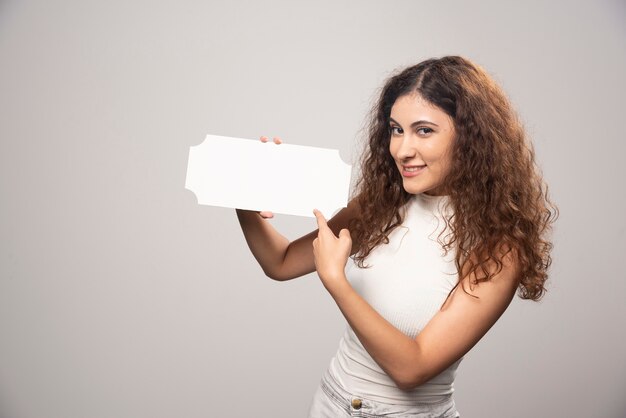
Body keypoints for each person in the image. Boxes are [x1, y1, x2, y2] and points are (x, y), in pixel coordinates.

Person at [235, 56, 557, 418]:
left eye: (424, 131)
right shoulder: (381, 205)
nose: (402, 150)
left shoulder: (499, 249)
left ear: (471, 138)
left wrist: (336, 281)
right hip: (329, 404)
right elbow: (279, 263)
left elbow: (412, 369)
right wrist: (243, 201)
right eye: (396, 129)